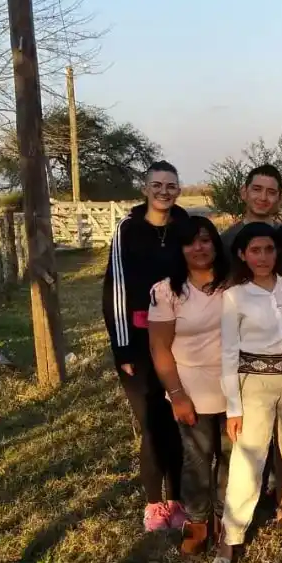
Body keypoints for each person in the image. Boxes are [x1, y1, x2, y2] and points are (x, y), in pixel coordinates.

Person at [202, 223, 282, 563]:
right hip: (253, 382)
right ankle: (229, 544)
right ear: (242, 254)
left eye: (269, 249)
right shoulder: (235, 295)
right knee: (248, 462)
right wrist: (234, 407)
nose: (264, 257)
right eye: (255, 250)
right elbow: (228, 353)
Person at [102, 160, 189, 532]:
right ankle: (154, 504)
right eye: (157, 185)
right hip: (138, 341)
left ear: (178, 190)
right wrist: (123, 349)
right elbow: (116, 289)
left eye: (171, 185)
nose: (164, 191)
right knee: (152, 422)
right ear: (145, 188)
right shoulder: (128, 229)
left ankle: (178, 499)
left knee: (179, 420)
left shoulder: (186, 225)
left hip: (181, 341)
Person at [148, 215, 230, 555]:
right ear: (180, 249)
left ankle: (227, 519)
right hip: (191, 388)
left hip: (237, 384)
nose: (199, 247)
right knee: (198, 457)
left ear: (215, 243)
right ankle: (197, 520)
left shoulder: (234, 284)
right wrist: (177, 394)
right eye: (190, 241)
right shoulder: (166, 291)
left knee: (232, 456)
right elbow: (159, 348)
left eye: (206, 239)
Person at [221, 164, 282, 253]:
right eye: (257, 189)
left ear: (279, 198)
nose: (263, 198)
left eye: (271, 192)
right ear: (244, 192)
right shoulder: (225, 241)